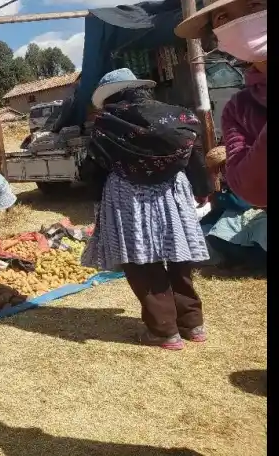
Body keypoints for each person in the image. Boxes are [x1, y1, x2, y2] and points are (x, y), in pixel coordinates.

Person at [80, 68, 211, 350]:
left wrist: (97, 202)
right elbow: (193, 154)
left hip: (128, 197)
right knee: (178, 255)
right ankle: (192, 323)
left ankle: (164, 331)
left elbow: (95, 167)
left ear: (112, 95)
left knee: (142, 261)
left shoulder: (108, 123)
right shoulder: (178, 116)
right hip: (172, 192)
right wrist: (202, 189)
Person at [175, 0, 267, 208]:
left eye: (255, 5)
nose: (241, 23)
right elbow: (250, 188)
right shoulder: (239, 109)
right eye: (223, 17)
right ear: (216, 34)